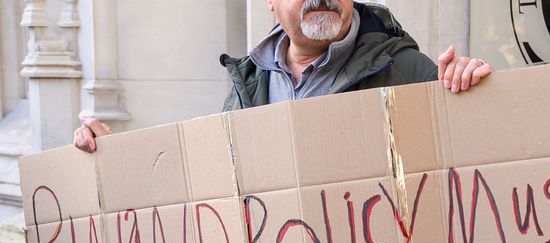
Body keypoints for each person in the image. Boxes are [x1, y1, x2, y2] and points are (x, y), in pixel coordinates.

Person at [72, 0, 489, 152]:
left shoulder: (412, 73)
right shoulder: (247, 85)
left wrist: (470, 96)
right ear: (271, 2)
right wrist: (115, 160)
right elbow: (209, 186)